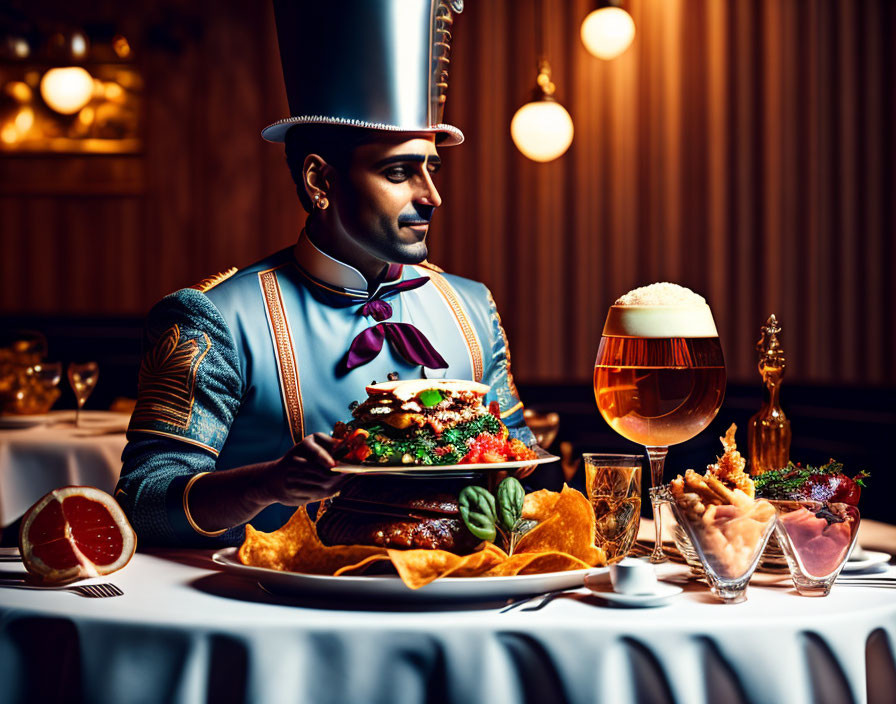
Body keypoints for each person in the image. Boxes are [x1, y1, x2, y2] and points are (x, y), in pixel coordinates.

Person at [115, 0, 534, 545]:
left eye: (431, 168)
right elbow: (143, 502)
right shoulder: (213, 318)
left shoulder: (474, 307)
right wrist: (268, 484)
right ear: (320, 179)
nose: (432, 195)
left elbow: (521, 465)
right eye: (399, 171)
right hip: (268, 612)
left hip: (455, 609)